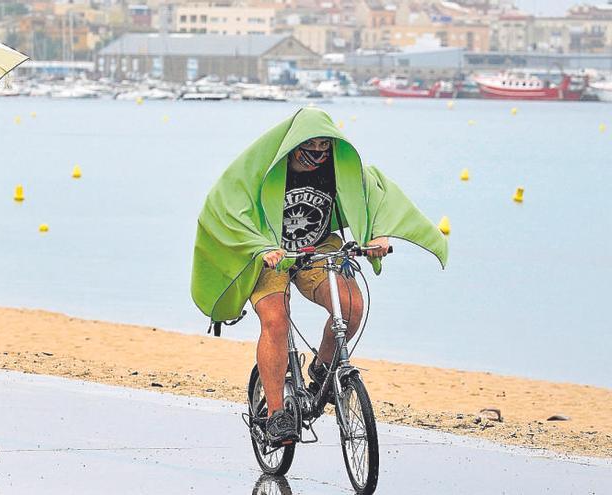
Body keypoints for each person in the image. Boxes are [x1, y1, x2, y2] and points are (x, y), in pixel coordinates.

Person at [191, 108, 448, 447]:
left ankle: (322, 373)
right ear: (293, 147)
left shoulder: (336, 169)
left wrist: (380, 238)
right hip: (272, 255)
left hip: (319, 248)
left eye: (324, 150)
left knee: (352, 307)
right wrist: (260, 246)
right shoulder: (266, 170)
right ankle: (276, 415)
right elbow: (225, 206)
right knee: (275, 320)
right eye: (310, 150)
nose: (317, 157)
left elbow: (377, 193)